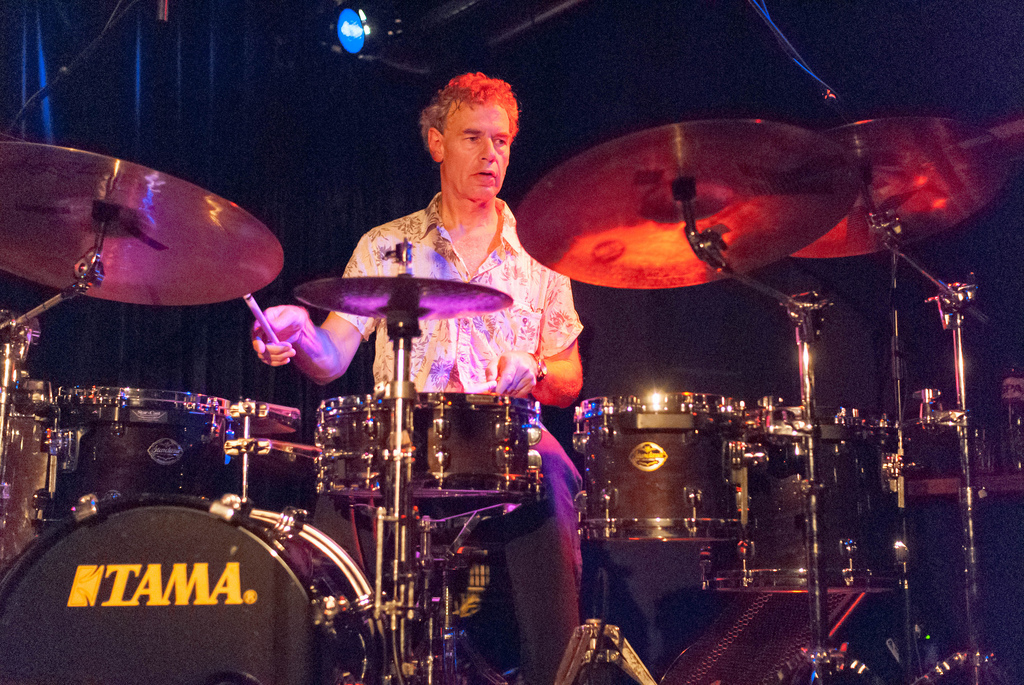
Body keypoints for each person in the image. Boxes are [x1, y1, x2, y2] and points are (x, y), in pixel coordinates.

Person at [252, 72, 584, 685]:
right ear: (436, 143)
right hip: (402, 438)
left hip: (506, 440)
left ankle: (555, 671)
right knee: (337, 489)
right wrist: (298, 332)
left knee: (555, 470)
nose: (492, 155)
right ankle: (335, 662)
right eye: (474, 139)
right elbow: (331, 357)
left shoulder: (539, 251)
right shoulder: (385, 246)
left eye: (503, 141)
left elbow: (568, 377)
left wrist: (531, 369)